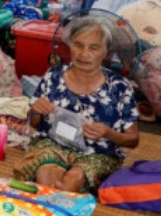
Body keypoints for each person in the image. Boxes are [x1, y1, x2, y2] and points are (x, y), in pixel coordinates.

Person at [15, 16, 139, 192]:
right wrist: (35, 111)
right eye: (78, 45)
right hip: (52, 144)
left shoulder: (120, 87)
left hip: (97, 152)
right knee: (46, 173)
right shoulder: (54, 75)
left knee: (75, 178)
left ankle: (54, 203)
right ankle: (55, 201)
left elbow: (133, 140)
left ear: (106, 52)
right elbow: (34, 123)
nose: (84, 53)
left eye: (94, 48)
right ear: (69, 46)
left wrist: (109, 133)